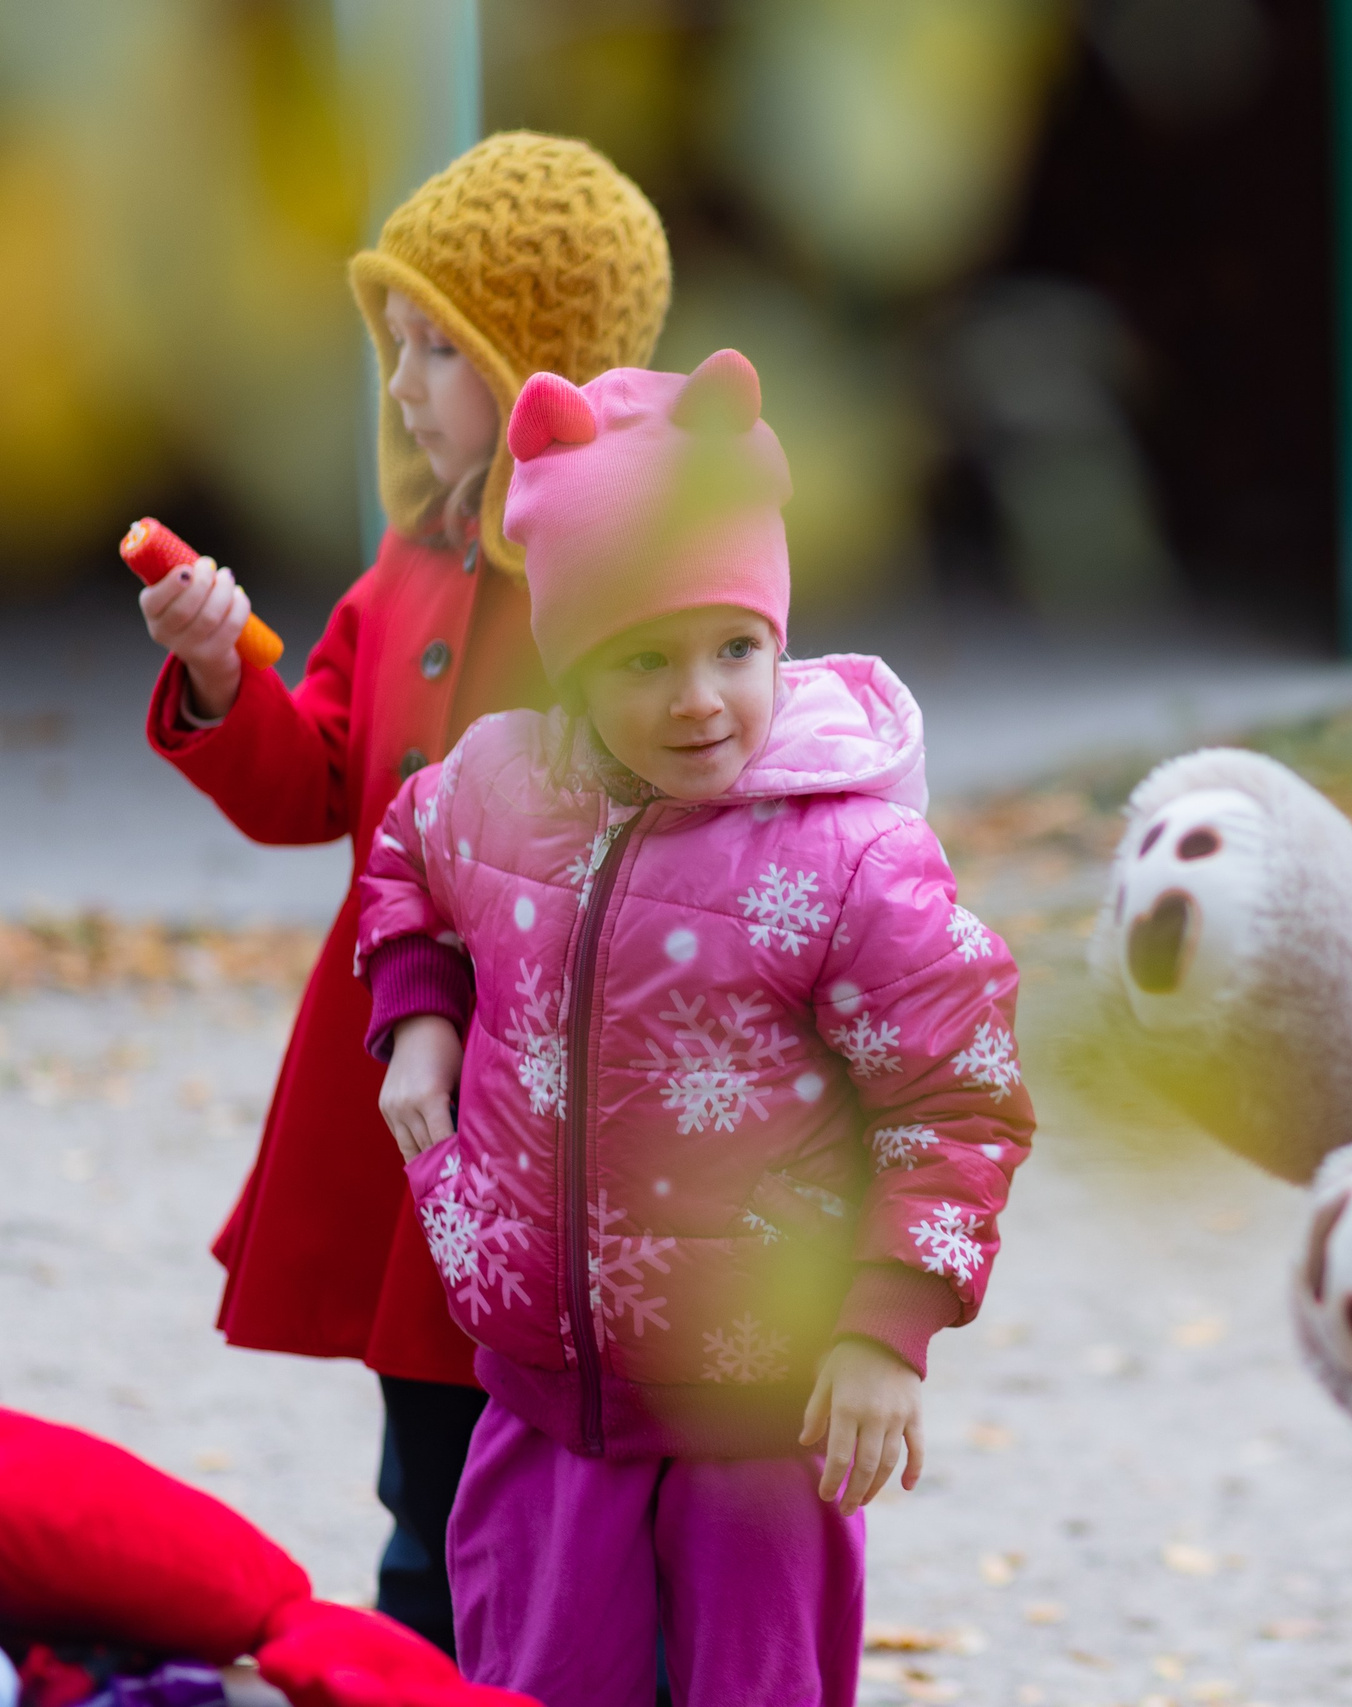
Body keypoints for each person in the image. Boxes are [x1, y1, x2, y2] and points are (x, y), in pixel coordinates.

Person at [354, 349, 1033, 1707]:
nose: (699, 698)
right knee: (529, 1680)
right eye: (643, 659)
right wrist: (417, 1013)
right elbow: (404, 857)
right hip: (543, 1393)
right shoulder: (496, 788)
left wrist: (880, 1326)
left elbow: (958, 1095)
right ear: (569, 660)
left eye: (738, 647)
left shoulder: (849, 857)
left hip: (760, 1411)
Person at [134, 132, 671, 1653]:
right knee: (423, 1487)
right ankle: (417, 1669)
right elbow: (311, 781)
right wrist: (211, 666)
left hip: (556, 1107)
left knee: (554, 1488)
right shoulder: (406, 569)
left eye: (440, 348)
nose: (402, 381)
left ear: (537, 367)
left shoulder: (632, 575)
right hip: (409, 1117)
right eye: (394, 345)